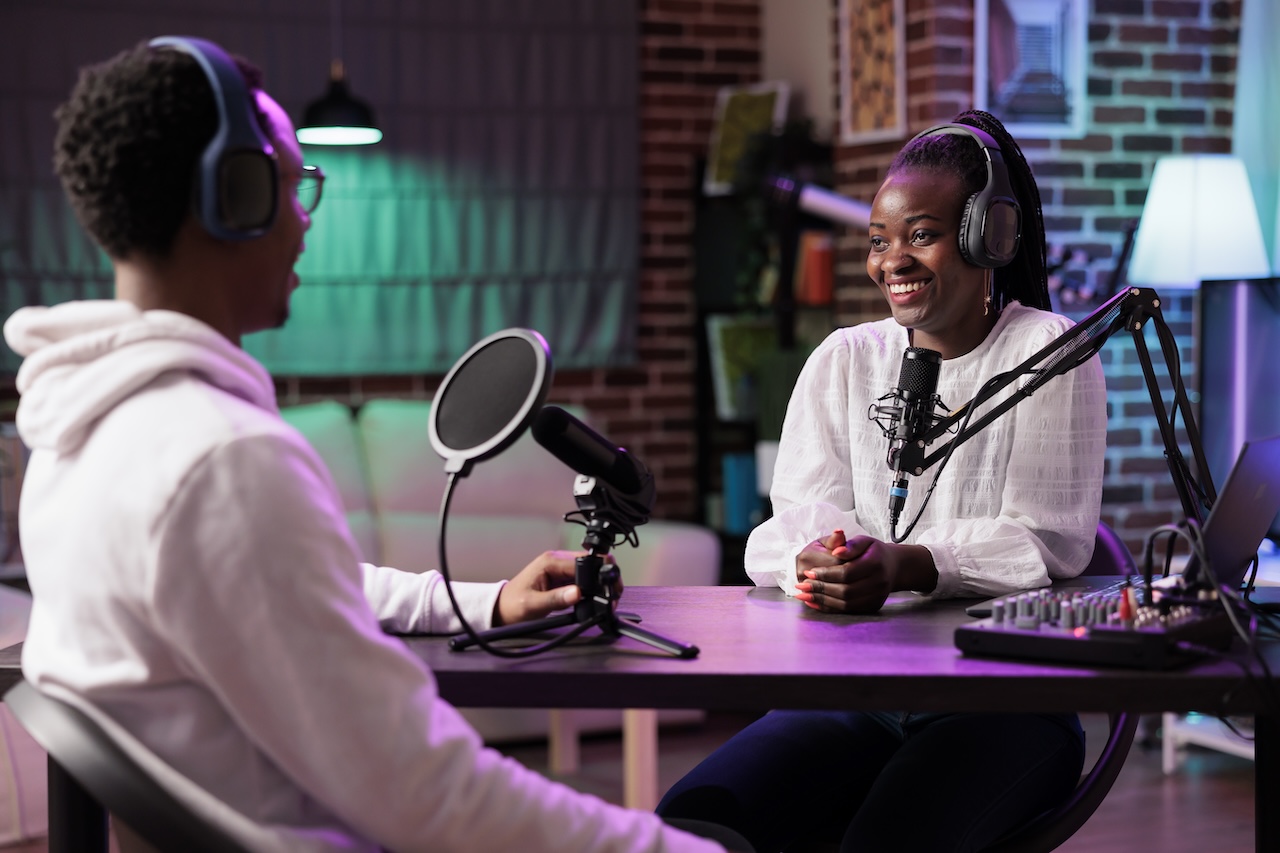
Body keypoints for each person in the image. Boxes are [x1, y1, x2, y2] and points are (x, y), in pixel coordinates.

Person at [5, 37, 742, 853]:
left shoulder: (80, 435)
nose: (305, 219)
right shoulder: (224, 459)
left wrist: (476, 601)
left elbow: (281, 585)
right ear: (233, 194)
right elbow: (433, 795)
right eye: (295, 182)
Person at [655, 109, 1109, 852]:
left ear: (987, 236)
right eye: (878, 241)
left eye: (921, 234)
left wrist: (906, 562)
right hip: (858, 693)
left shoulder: (1048, 354)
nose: (891, 259)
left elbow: (1050, 539)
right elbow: (790, 521)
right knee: (693, 823)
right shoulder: (844, 359)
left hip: (1005, 704)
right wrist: (816, 561)